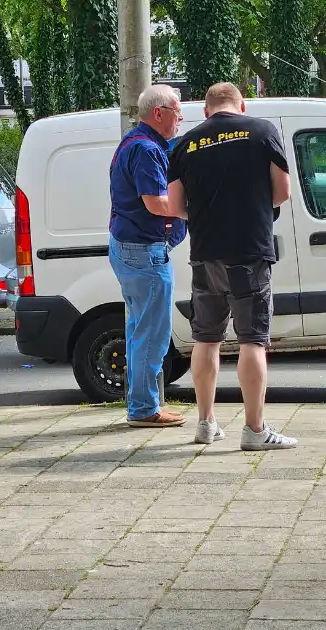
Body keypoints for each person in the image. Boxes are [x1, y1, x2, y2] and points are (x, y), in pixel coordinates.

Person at [167, 82, 297, 450]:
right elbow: (283, 191)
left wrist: (207, 214)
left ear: (206, 111)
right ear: (242, 105)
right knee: (252, 340)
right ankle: (255, 430)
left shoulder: (186, 143)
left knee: (205, 338)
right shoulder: (262, 131)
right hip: (249, 251)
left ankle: (206, 423)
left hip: (205, 253)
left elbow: (175, 205)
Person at [108, 84, 188, 428]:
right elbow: (156, 204)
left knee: (139, 330)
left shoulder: (133, 142)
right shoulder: (145, 150)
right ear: (159, 113)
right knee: (152, 334)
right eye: (177, 112)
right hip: (144, 253)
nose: (181, 119)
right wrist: (194, 207)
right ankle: (143, 409)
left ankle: (142, 404)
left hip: (130, 248)